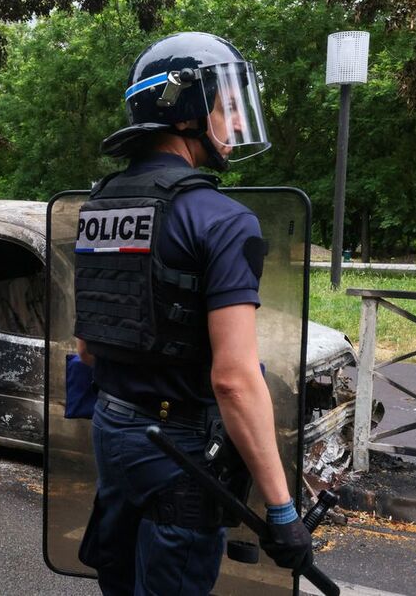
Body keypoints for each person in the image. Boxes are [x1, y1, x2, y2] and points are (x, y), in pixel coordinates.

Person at [74, 32, 313, 595]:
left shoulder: (99, 206)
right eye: (227, 107)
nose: (234, 124)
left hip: (114, 432)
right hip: (180, 449)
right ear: (183, 109)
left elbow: (87, 346)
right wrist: (282, 510)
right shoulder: (224, 221)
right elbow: (233, 379)